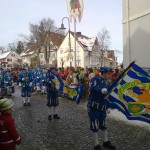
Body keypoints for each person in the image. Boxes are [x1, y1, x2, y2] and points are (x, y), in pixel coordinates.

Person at [87, 66, 116, 150]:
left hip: (102, 107)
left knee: (103, 124)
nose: (110, 75)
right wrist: (100, 90)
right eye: (109, 74)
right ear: (103, 73)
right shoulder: (95, 79)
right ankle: (96, 144)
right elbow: (91, 88)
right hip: (93, 106)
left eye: (111, 74)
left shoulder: (107, 83)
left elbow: (108, 96)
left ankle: (105, 141)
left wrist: (108, 106)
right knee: (94, 124)